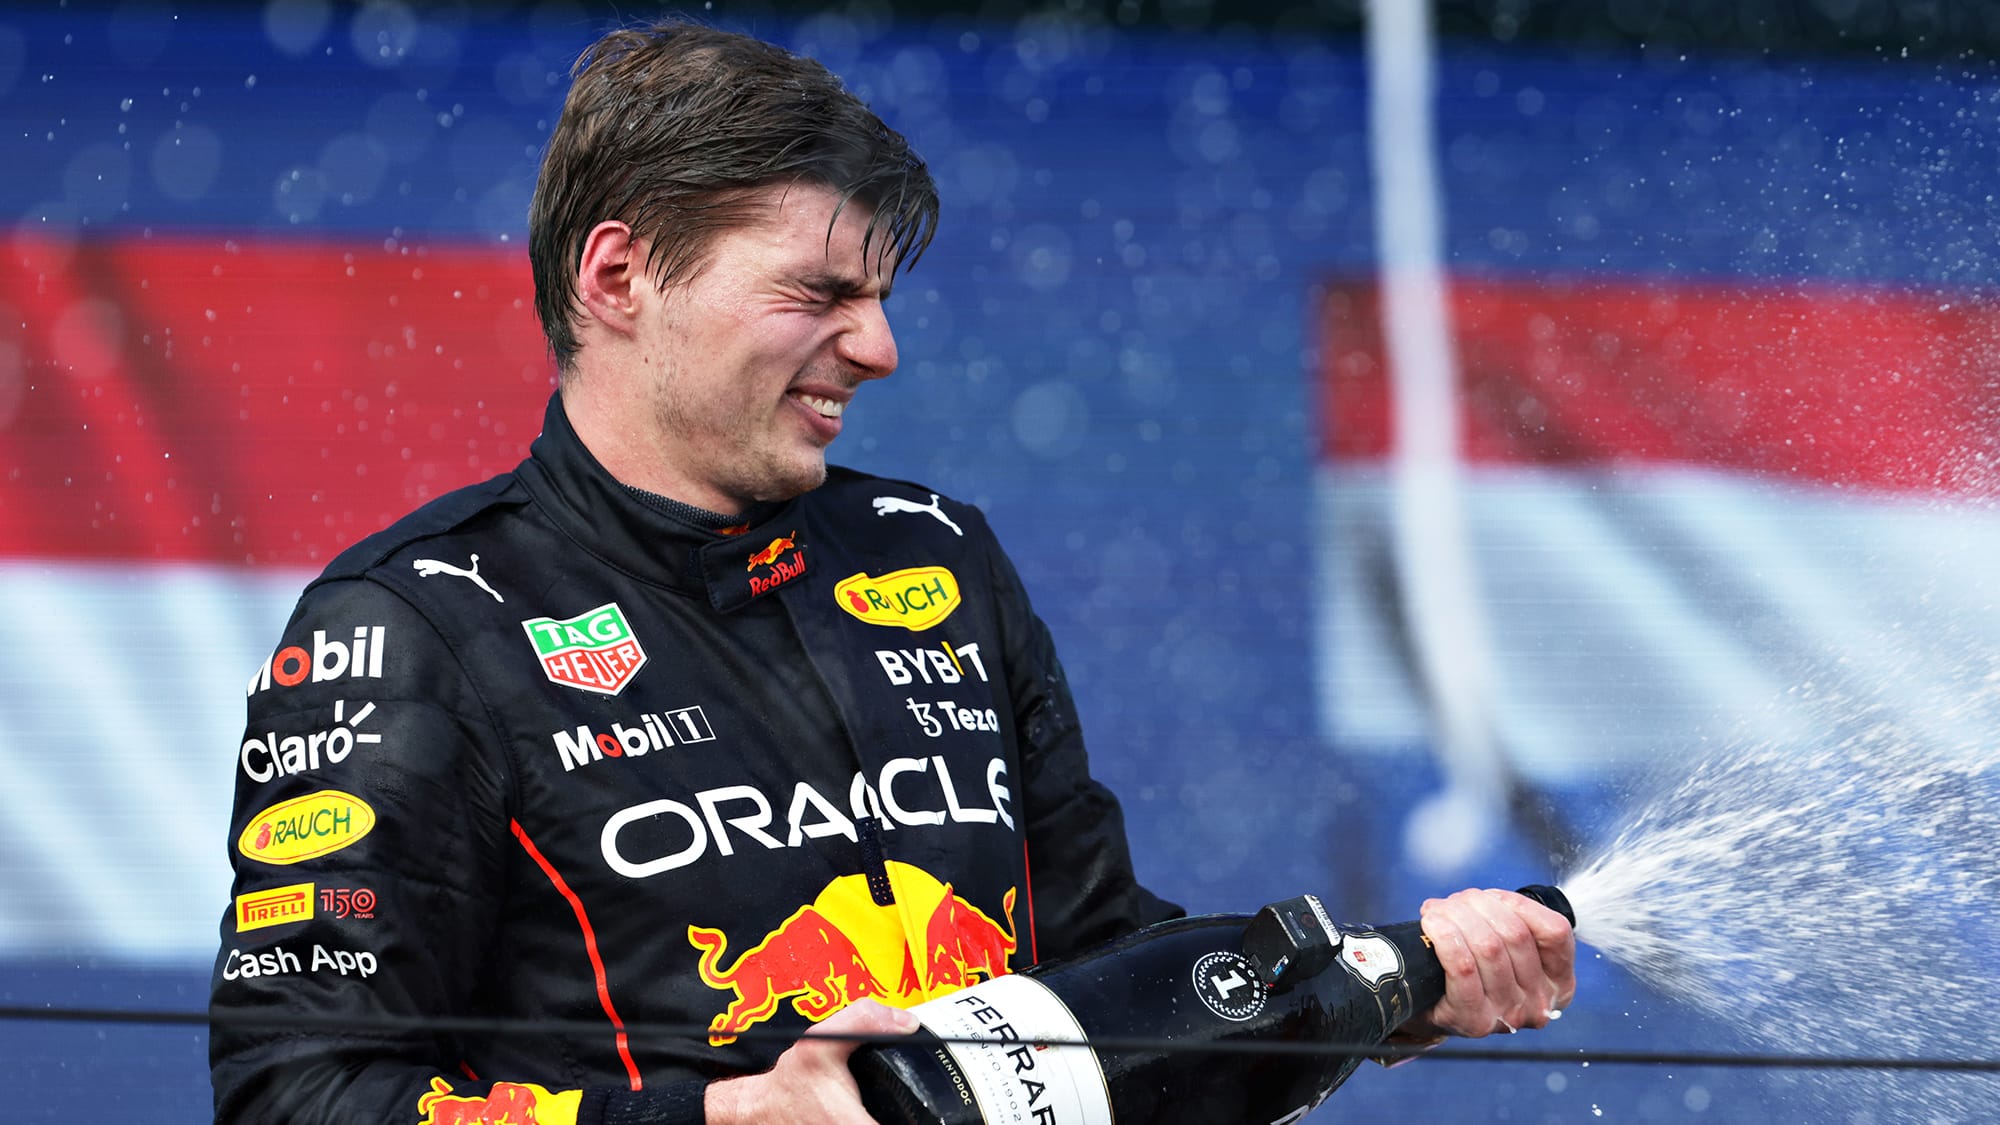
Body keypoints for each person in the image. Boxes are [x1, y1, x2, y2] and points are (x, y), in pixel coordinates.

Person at [209, 18, 1574, 1125]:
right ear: (619, 276)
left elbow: (1100, 987)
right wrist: (720, 1124)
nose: (879, 350)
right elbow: (299, 1097)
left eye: (879, 301)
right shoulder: (409, 627)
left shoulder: (936, 551)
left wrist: (1382, 991)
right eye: (818, 294)